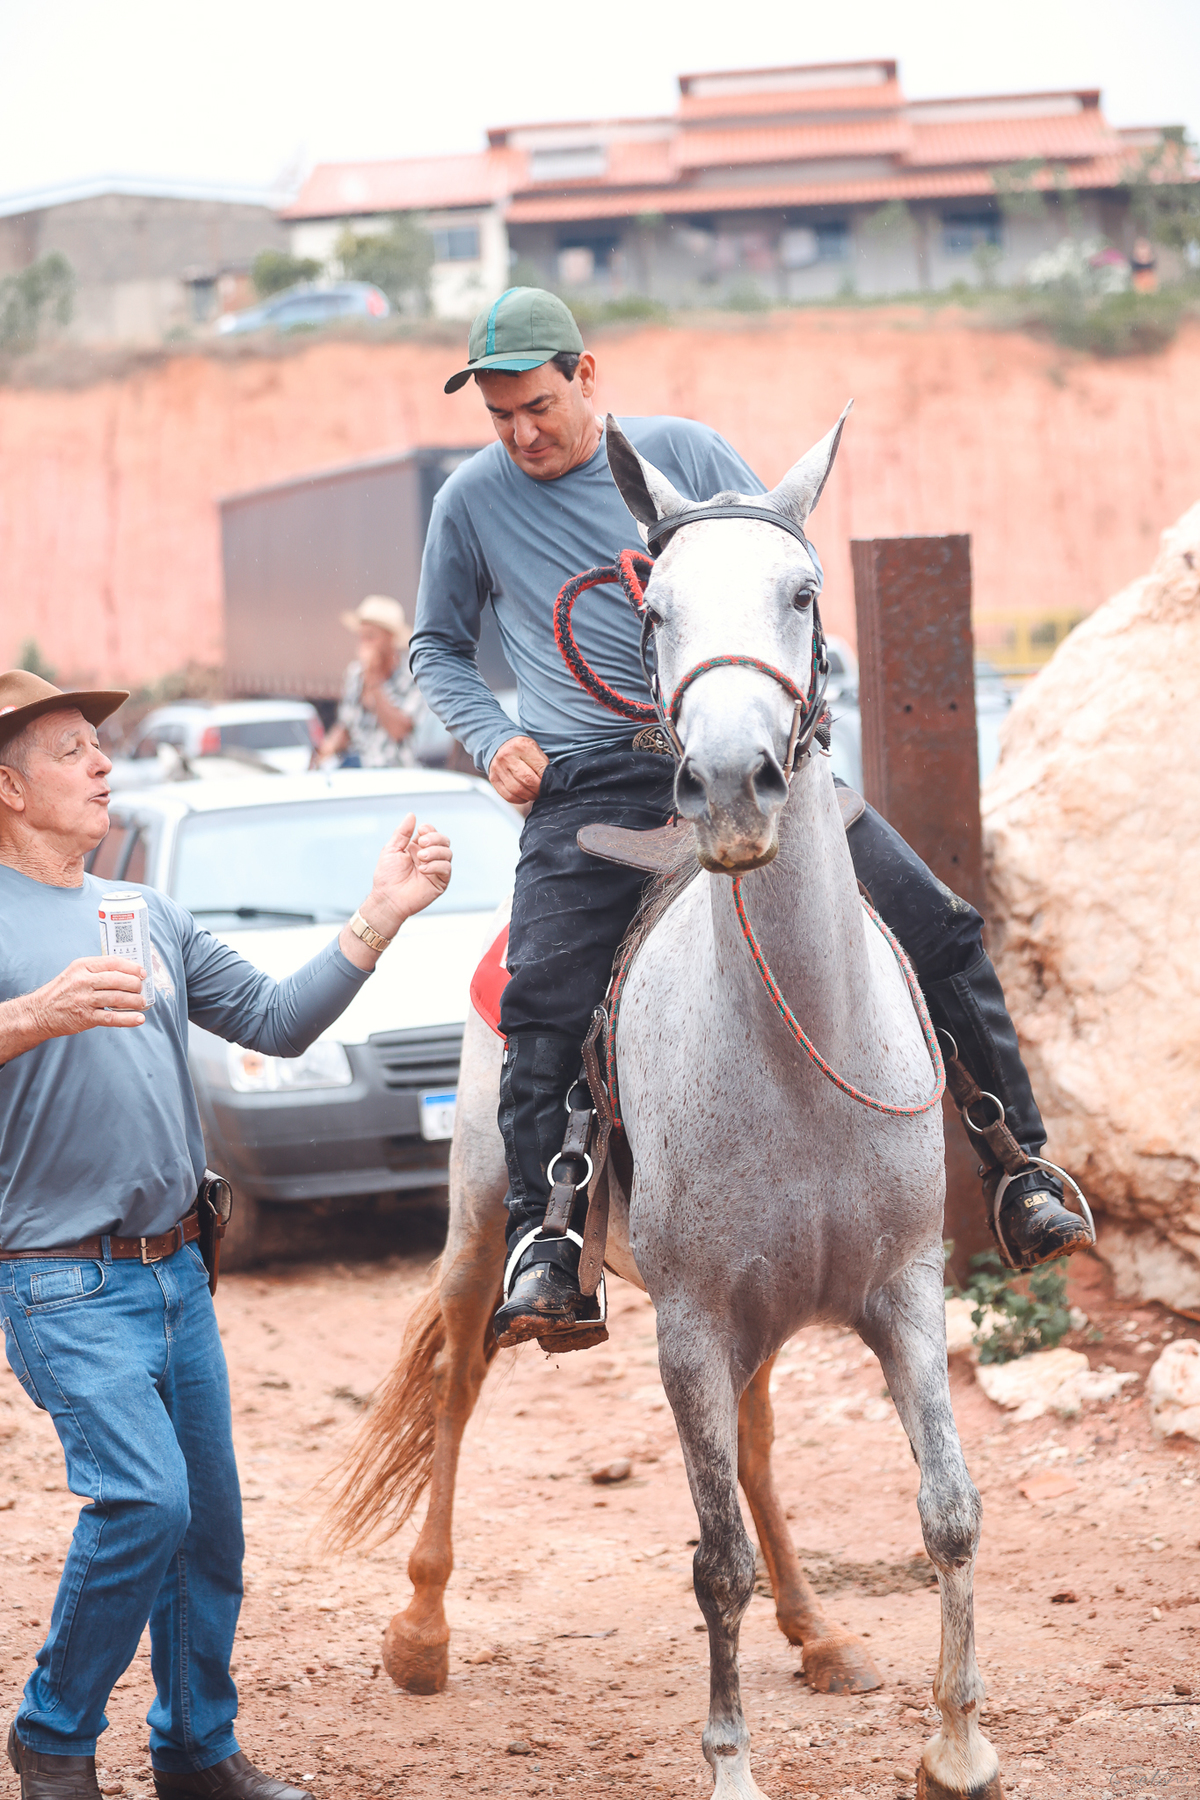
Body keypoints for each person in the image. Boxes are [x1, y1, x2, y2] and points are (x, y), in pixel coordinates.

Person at [409, 286, 1090, 1353]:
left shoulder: (689, 454)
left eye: (538, 406)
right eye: (500, 418)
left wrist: (788, 715)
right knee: (542, 992)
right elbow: (436, 647)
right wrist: (491, 736)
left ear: (586, 375)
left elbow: (779, 577)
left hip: (759, 761)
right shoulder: (469, 503)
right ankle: (547, 1240)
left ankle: (1019, 1168)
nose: (522, 434)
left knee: (940, 923)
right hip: (592, 789)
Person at [0, 670, 452, 1800]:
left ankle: (197, 1751)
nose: (103, 763)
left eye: (99, 745)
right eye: (72, 750)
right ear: (8, 788)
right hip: (60, 1278)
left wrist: (381, 916)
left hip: (177, 1269)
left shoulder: (146, 912)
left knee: (205, 1531)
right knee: (143, 1501)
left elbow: (274, 1020)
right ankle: (52, 1733)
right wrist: (32, 1016)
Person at [318, 594, 428, 768]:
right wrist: (326, 749)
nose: (364, 644)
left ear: (391, 639)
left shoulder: (413, 676)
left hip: (395, 771)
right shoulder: (355, 674)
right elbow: (347, 726)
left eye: (370, 637)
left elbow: (398, 730)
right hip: (359, 769)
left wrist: (374, 682)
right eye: (361, 637)